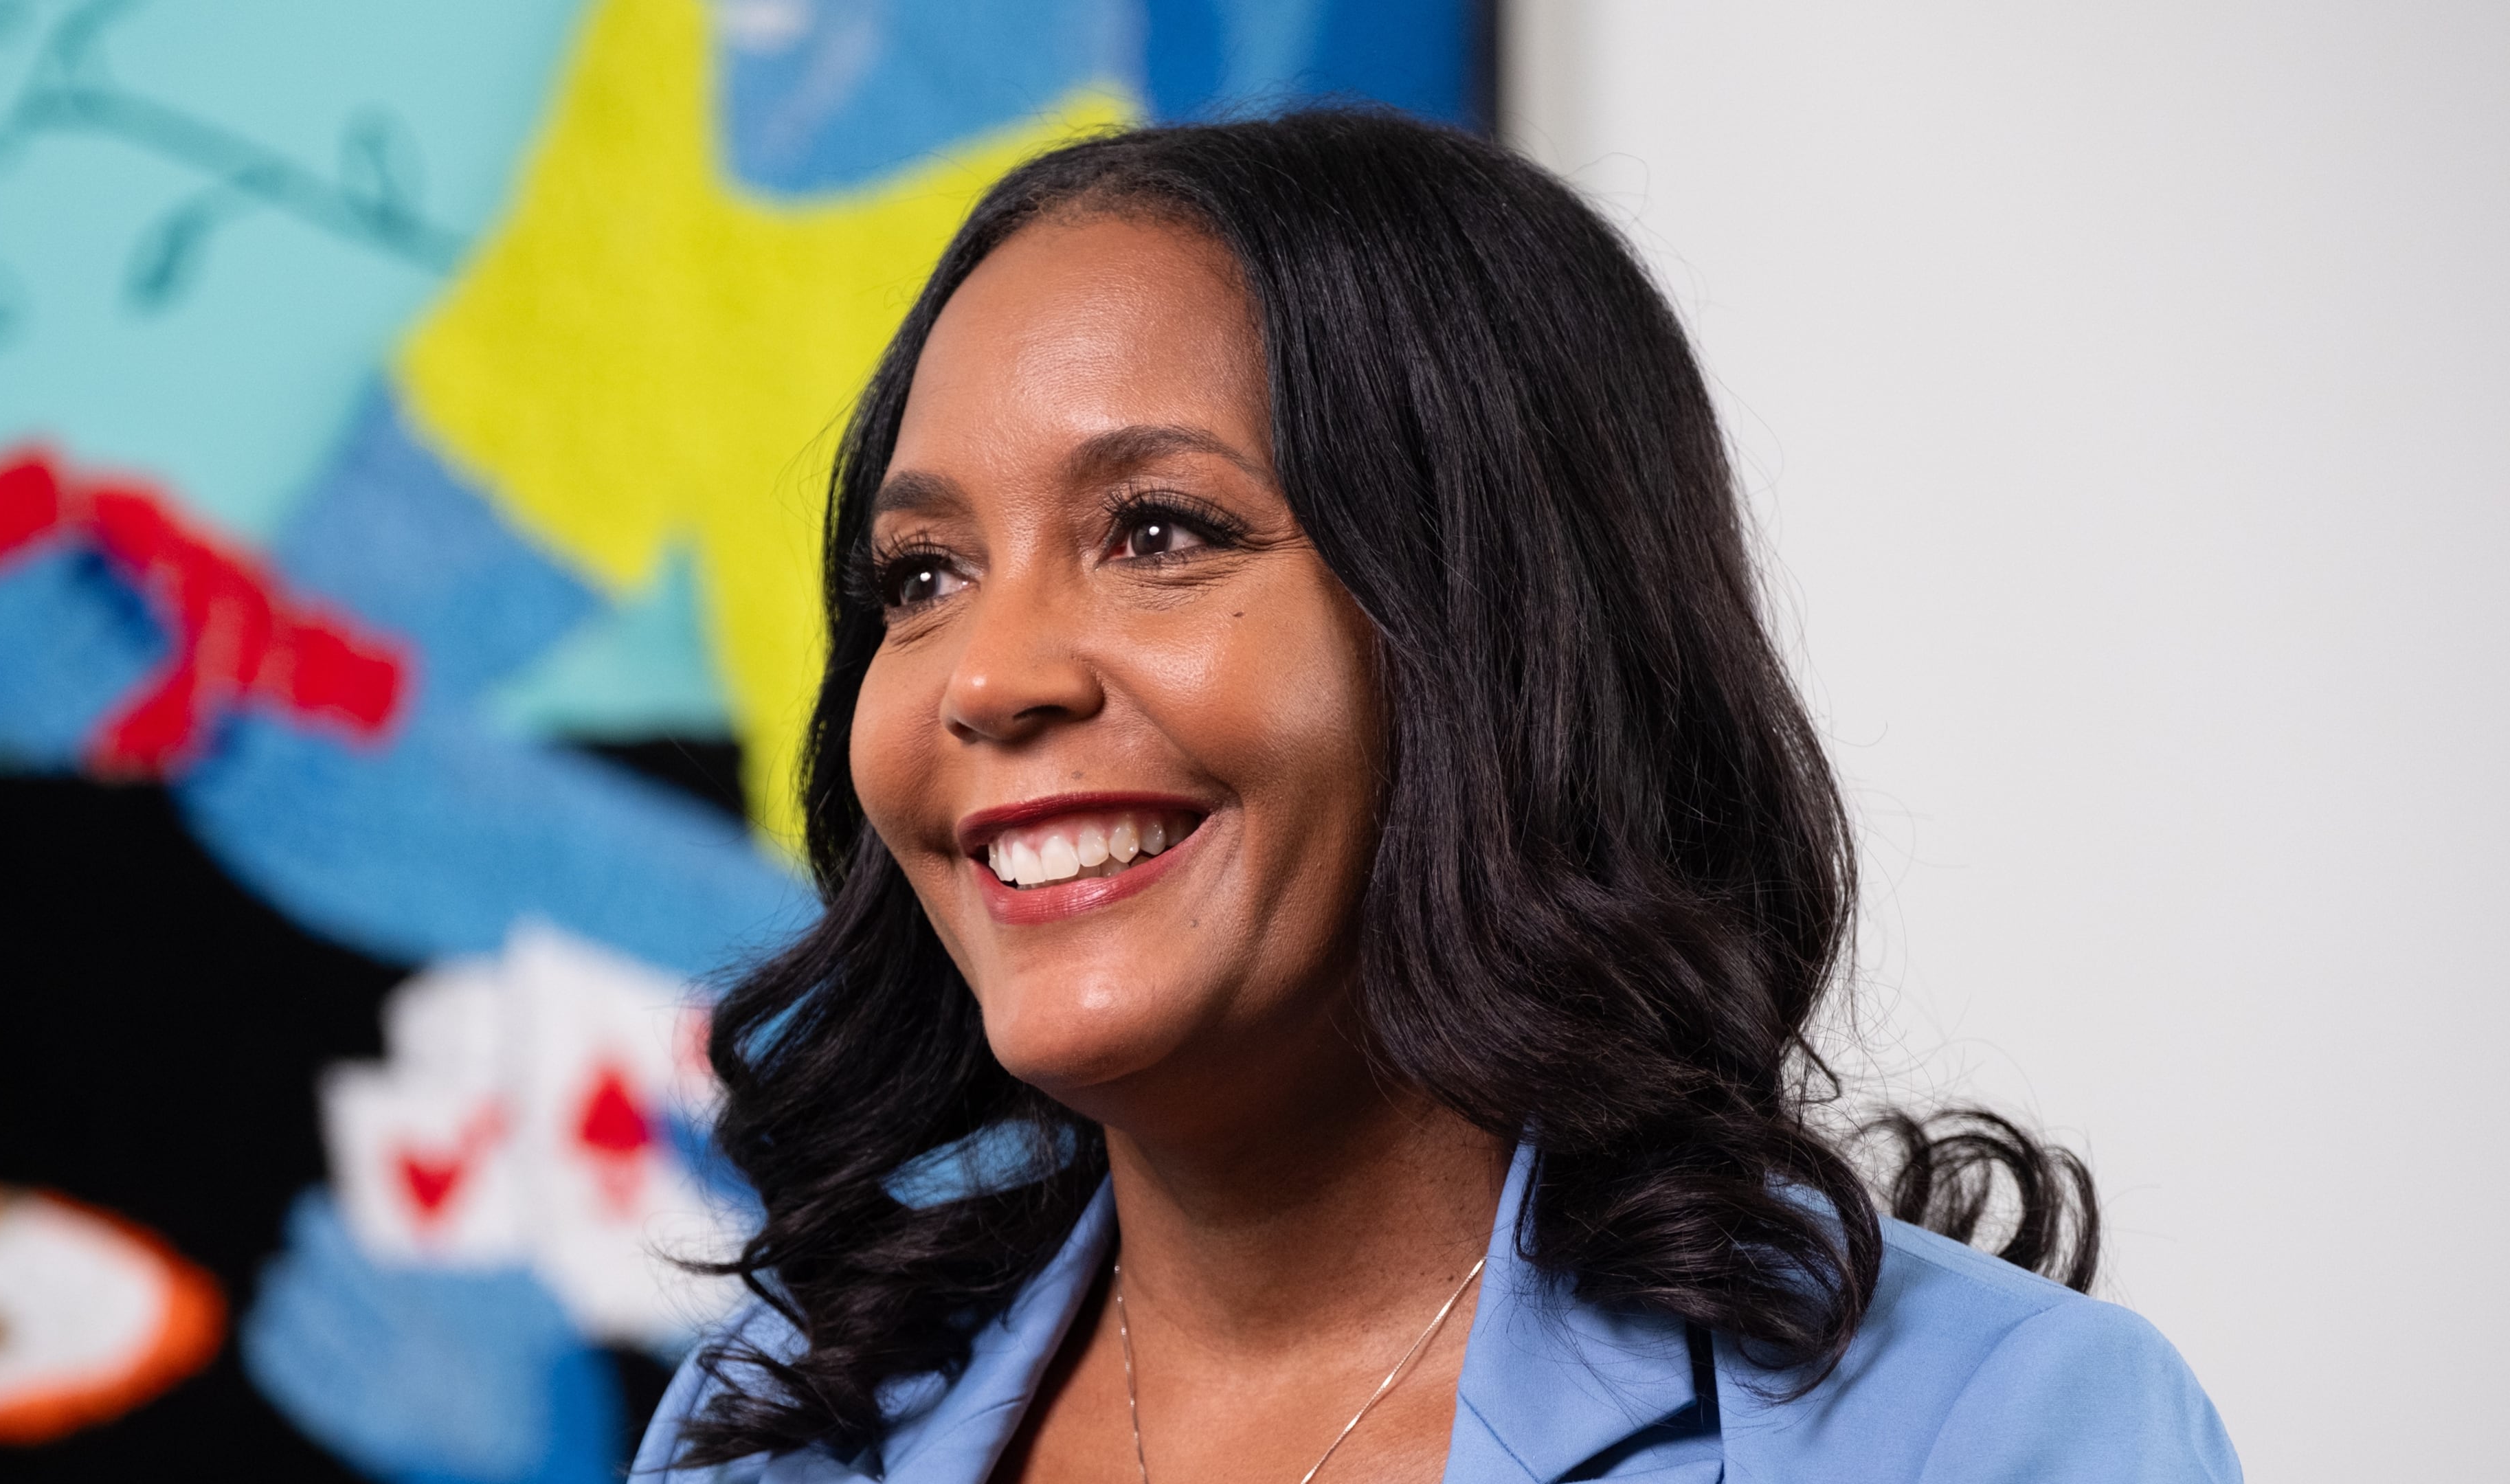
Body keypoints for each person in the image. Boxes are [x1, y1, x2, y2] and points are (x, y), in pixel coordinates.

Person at [632, 110, 2241, 1483]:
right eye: (923, 572)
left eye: (1159, 532)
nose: (986, 677)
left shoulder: (1978, 1431)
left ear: (1500, 632)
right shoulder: (775, 1430)